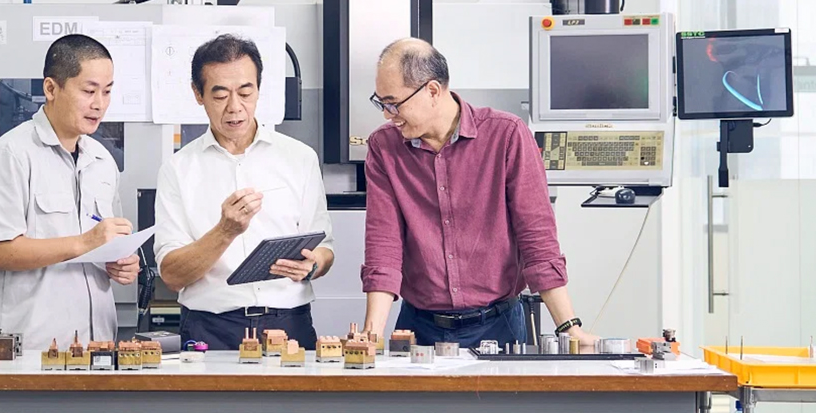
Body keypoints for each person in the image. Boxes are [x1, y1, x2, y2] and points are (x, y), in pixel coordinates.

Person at [360, 38, 596, 350]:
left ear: (432, 91)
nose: (388, 115)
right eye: (382, 103)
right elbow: (383, 245)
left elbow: (537, 237)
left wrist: (569, 328)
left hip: (500, 325)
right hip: (419, 327)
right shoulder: (383, 147)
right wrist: (371, 335)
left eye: (394, 103)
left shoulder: (507, 135)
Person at [154, 34, 334, 350]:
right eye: (220, 95)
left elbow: (325, 249)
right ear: (198, 94)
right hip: (211, 329)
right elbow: (171, 275)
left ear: (258, 90)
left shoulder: (299, 158)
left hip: (289, 324)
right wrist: (225, 231)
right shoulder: (178, 169)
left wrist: (312, 265)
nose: (235, 108)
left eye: (245, 92)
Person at [0, 34, 141, 350]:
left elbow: (105, 245)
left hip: (97, 346)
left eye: (106, 92)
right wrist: (85, 242)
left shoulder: (102, 161)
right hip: (33, 349)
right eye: (89, 91)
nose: (99, 104)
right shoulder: (10, 155)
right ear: (51, 89)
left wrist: (118, 262)